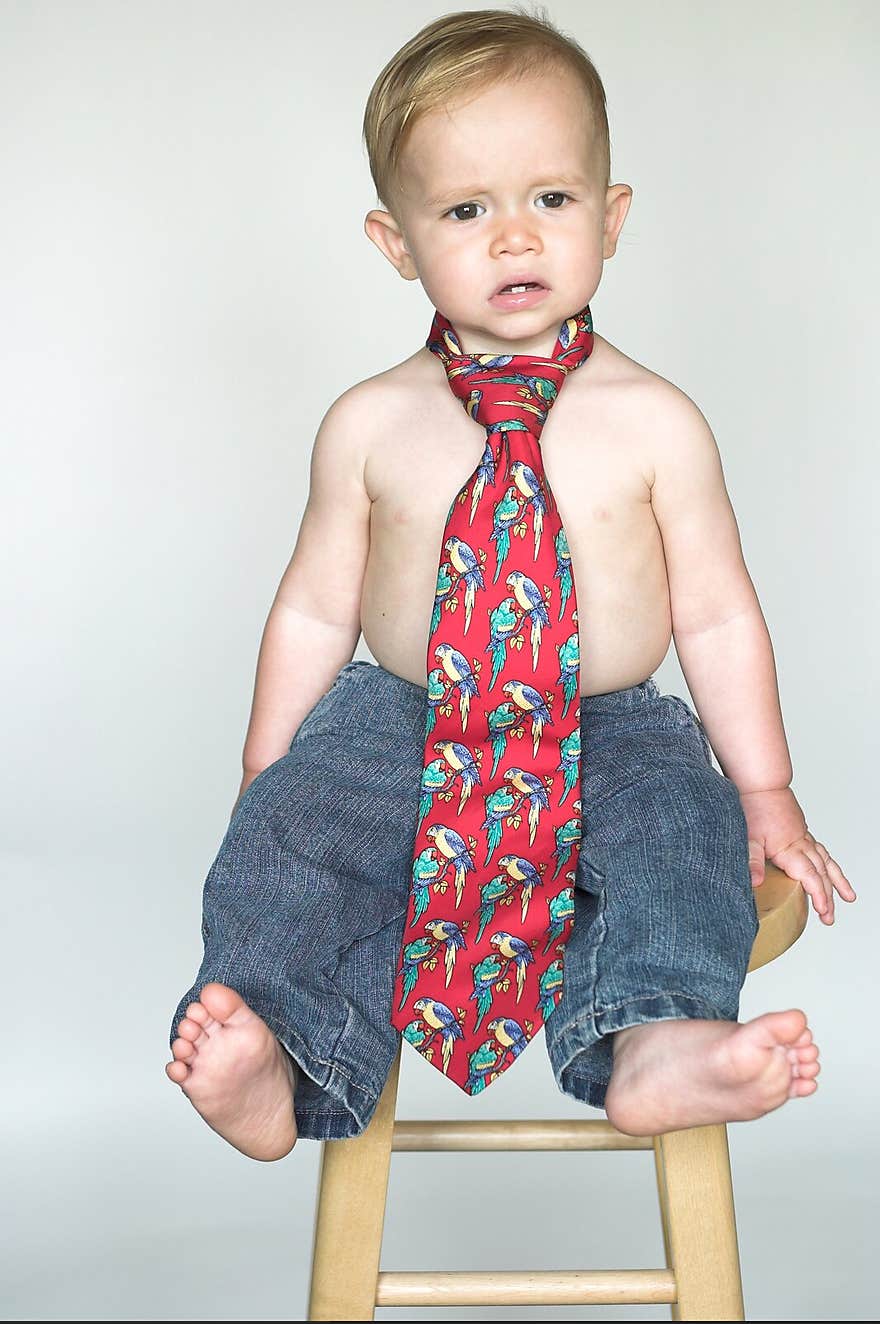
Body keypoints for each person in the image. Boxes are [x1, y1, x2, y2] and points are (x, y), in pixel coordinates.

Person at [165, 6, 855, 1161]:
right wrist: (264, 768)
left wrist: (766, 786)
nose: (514, 239)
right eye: (466, 209)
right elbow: (315, 605)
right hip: (401, 717)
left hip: (610, 725)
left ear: (610, 215)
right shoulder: (372, 422)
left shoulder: (656, 422)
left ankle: (657, 1034)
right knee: (291, 842)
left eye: (550, 198)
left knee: (681, 831)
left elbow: (719, 611)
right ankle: (280, 1053)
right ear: (398, 242)